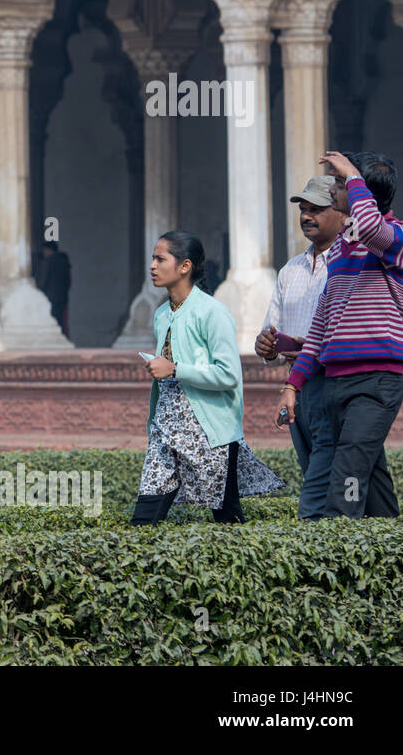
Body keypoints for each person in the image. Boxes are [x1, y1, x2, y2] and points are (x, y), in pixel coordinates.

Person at [277, 150, 403, 519]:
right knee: (371, 477)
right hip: (336, 382)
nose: (333, 188)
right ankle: (390, 547)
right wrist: (292, 385)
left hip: (377, 381)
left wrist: (353, 175)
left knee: (346, 473)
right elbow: (320, 327)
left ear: (360, 189)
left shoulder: (393, 239)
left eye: (339, 182)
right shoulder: (341, 253)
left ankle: (336, 540)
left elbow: (372, 229)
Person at [132, 231, 284, 525]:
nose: (152, 265)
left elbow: (228, 375)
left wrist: (175, 369)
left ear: (184, 266)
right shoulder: (162, 313)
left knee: (227, 519)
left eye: (160, 259)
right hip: (166, 429)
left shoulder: (213, 312)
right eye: (153, 258)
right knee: (145, 518)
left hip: (210, 432)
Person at [254, 175, 344, 519]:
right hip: (296, 389)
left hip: (332, 384)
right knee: (317, 471)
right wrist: (267, 346)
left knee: (319, 486)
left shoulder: (349, 265)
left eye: (317, 209)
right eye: (303, 209)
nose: (306, 216)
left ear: (341, 213)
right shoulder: (290, 269)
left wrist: (315, 347)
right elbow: (270, 330)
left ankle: (314, 528)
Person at [37, 240, 72, 338]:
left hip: (50, 297)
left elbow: (43, 282)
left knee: (51, 320)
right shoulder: (64, 261)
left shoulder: (47, 262)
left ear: (48, 250)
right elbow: (68, 281)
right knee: (61, 320)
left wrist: (38, 293)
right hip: (62, 297)